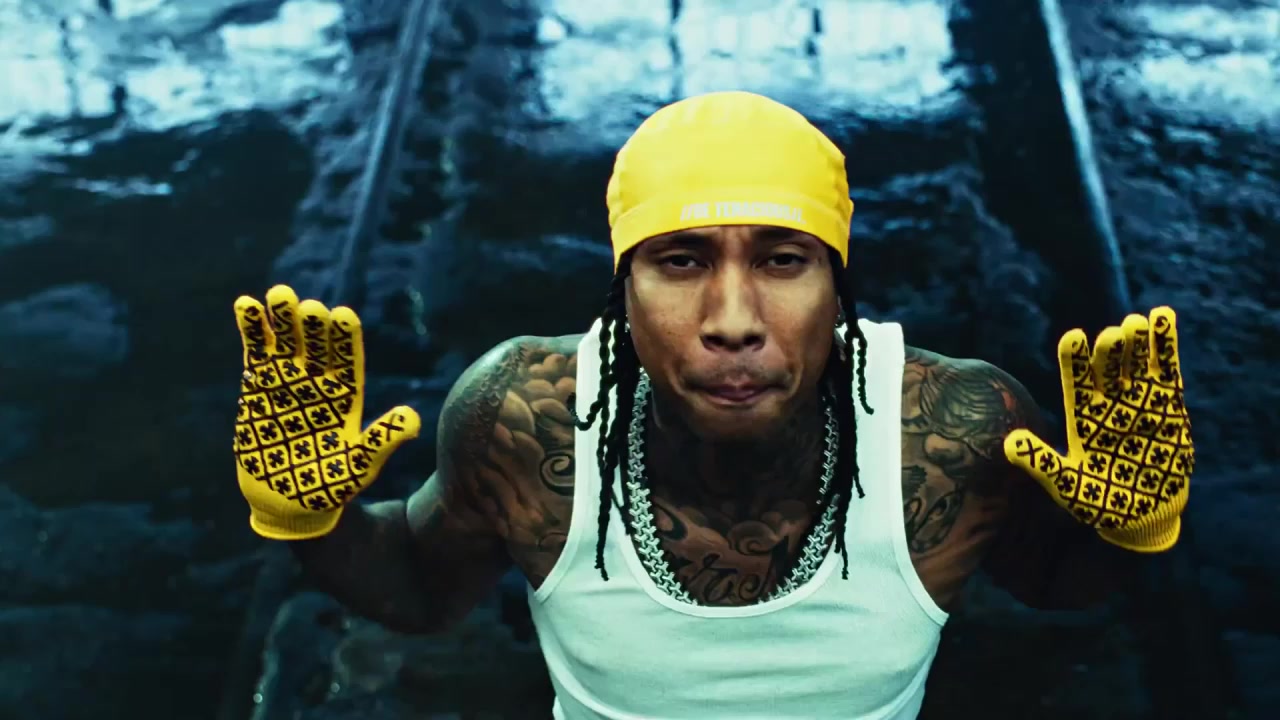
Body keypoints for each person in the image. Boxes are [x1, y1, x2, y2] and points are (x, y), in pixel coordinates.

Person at [231, 91, 1194, 719]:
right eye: (682, 261)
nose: (733, 320)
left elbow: (1055, 582)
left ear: (838, 287)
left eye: (783, 260)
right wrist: (306, 517)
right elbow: (420, 588)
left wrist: (1129, 530)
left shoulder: (953, 431)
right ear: (622, 290)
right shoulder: (524, 418)